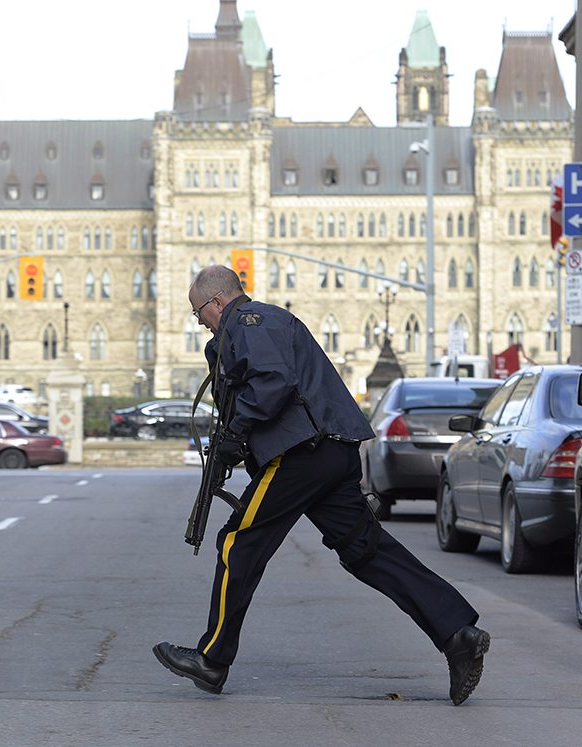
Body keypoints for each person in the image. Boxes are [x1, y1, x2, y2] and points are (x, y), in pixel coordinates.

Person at [153, 265, 490, 705]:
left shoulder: (250, 321)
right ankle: (457, 633)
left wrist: (236, 434)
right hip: (328, 452)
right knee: (365, 551)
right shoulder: (255, 326)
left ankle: (212, 659)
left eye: (200, 312)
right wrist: (230, 445)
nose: (200, 321)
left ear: (218, 301)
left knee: (238, 542)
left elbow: (272, 382)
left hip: (300, 455)